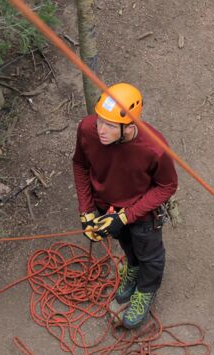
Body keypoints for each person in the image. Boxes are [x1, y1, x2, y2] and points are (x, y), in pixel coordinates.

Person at [72, 82, 178, 328]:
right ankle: (132, 269)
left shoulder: (154, 148)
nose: (101, 130)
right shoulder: (87, 130)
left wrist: (126, 216)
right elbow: (80, 165)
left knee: (149, 254)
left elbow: (166, 187)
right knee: (127, 245)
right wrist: (86, 210)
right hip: (105, 207)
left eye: (110, 125)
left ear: (130, 127)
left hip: (142, 213)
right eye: (100, 120)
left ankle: (146, 289)